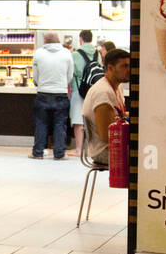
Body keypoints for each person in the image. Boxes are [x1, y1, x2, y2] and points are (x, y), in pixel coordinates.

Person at [81, 49, 130, 164]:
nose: (129, 70)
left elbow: (118, 116)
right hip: (104, 151)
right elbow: (106, 135)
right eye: (124, 66)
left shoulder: (117, 87)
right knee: (146, 155)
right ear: (110, 68)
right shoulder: (103, 93)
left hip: (110, 147)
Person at [31, 32, 74, 160]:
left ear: (45, 41)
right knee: (60, 124)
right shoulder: (67, 53)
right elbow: (70, 75)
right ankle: (59, 154)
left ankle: (38, 152)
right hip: (60, 93)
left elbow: (35, 76)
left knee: (41, 123)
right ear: (58, 40)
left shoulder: (38, 53)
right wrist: (62, 85)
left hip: (43, 93)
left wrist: (40, 84)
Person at [69, 30, 99, 157]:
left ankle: (79, 149)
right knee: (92, 119)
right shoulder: (97, 53)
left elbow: (71, 72)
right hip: (94, 88)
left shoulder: (75, 54)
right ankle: (92, 149)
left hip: (79, 88)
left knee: (78, 119)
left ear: (80, 39)